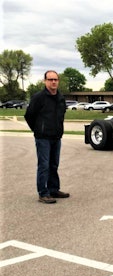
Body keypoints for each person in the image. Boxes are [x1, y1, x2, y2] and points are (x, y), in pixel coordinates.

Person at [24, 70, 70, 204]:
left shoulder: (60, 98)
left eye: (55, 79)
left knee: (54, 164)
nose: (53, 82)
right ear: (45, 81)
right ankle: (43, 193)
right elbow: (29, 115)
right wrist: (38, 130)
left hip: (56, 137)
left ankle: (53, 189)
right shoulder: (39, 97)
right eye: (50, 79)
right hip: (43, 138)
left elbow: (61, 115)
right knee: (44, 165)